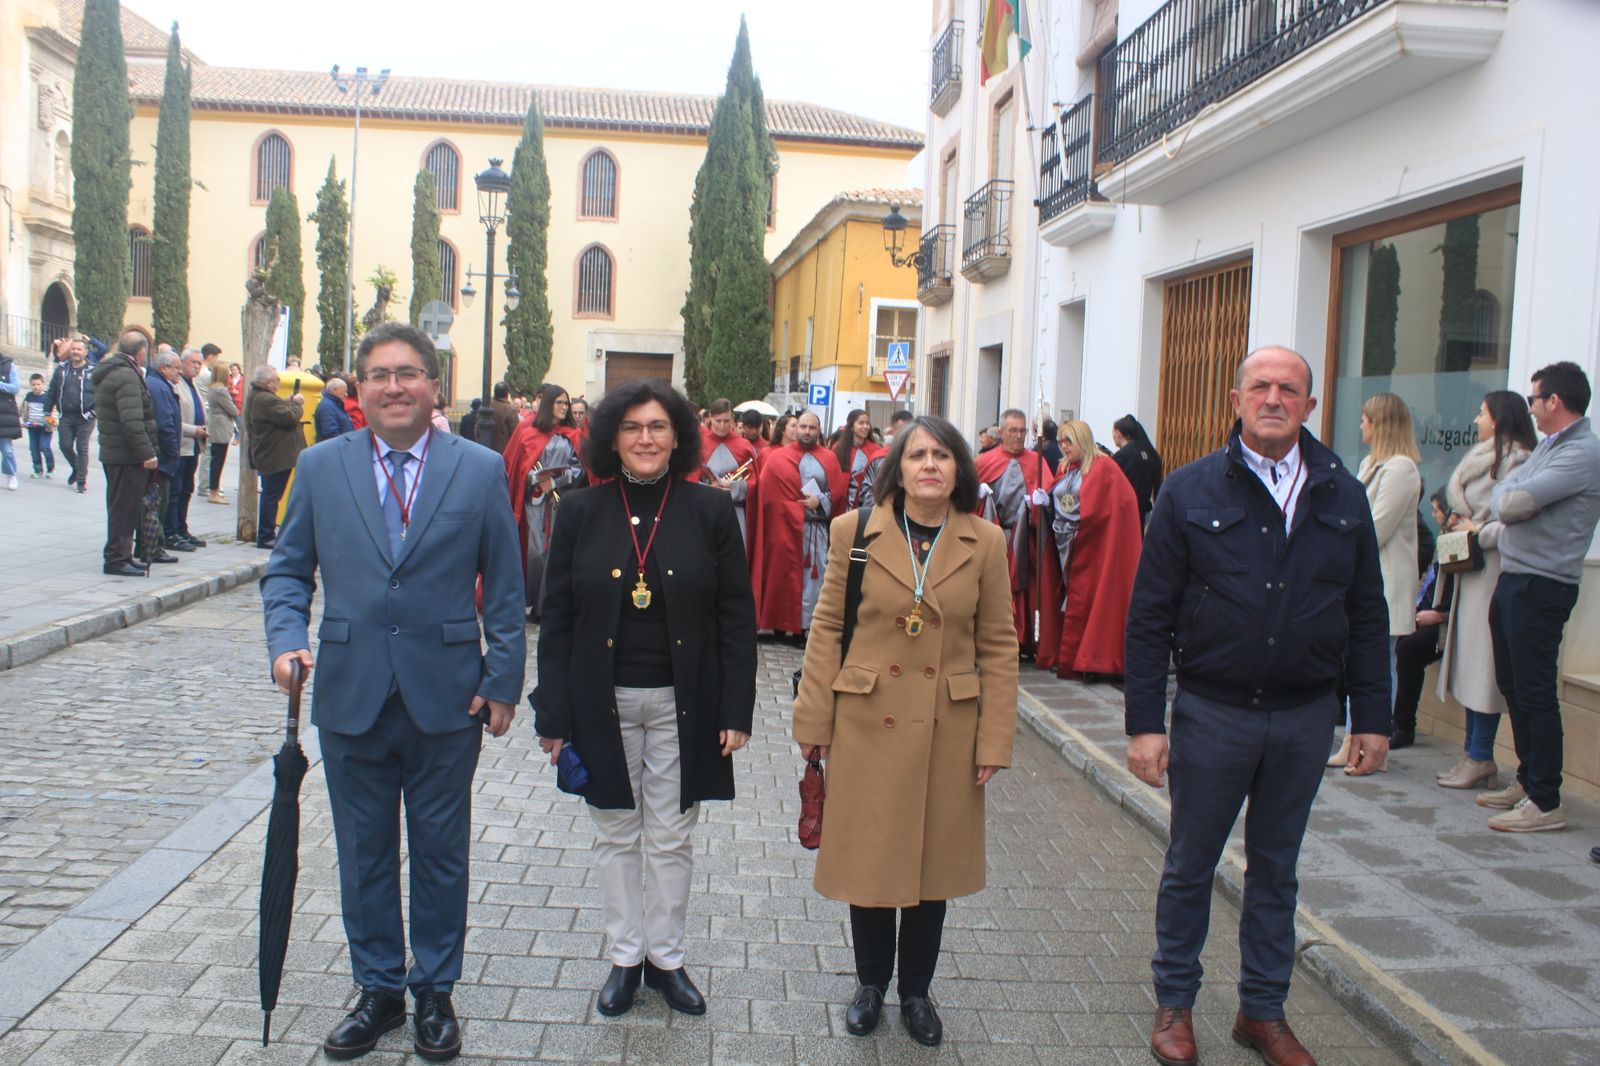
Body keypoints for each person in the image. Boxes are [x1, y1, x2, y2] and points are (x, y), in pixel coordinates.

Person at [262, 321, 526, 1063]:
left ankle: (434, 990)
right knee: (363, 851)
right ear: (361, 388)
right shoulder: (320, 466)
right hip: (352, 695)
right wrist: (285, 640)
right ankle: (378, 988)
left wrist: (503, 678)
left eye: (409, 373)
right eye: (379, 374)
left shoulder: (478, 469)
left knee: (440, 853)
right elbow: (288, 571)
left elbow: (507, 586)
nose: (394, 386)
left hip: (449, 696)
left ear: (434, 386)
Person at [1124, 346, 1390, 1066]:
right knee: (1191, 865)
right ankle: (1175, 1003)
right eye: (1261, 386)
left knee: (1277, 870)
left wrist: (1372, 716)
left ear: (1310, 405)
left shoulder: (1343, 494)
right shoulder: (1189, 489)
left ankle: (1262, 1012)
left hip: (1305, 718)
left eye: (1289, 389)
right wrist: (1145, 724)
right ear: (1237, 399)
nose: (1274, 398)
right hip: (1213, 713)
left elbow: (1367, 612)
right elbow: (1149, 615)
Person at [532, 379, 756, 1019]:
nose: (646, 438)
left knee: (672, 836)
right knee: (614, 832)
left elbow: (736, 617)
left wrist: (735, 710)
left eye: (658, 426)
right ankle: (625, 957)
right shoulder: (580, 511)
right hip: (601, 702)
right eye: (632, 427)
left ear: (678, 435)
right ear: (612, 438)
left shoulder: (711, 510)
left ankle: (667, 959)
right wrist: (552, 714)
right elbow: (557, 620)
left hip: (686, 702)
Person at [792, 414, 1018, 1048]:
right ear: (898, 467)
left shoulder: (985, 541)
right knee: (870, 861)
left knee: (930, 867)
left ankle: (917, 991)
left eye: (942, 456)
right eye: (918, 455)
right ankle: (870, 985)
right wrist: (813, 722)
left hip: (948, 727)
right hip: (867, 721)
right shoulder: (855, 531)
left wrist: (994, 739)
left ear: (959, 469)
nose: (929, 466)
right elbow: (827, 629)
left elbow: (999, 646)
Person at [1480, 361, 1600, 832]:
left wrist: (1511, 502)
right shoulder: (1549, 447)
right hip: (1515, 578)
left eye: (1533, 399)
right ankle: (1528, 780)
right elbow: (1504, 496)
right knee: (1512, 684)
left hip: (1543, 583)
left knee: (1534, 691)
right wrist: (1510, 501)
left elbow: (1513, 501)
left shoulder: (1583, 452)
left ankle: (1545, 799)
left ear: (1555, 400)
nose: (1529, 408)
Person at [1429, 392, 1535, 778]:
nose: (1476, 419)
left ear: (1499, 417)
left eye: (1482, 412)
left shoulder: (1518, 460)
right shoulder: (1486, 455)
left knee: (1483, 667)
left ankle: (1480, 755)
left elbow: (1512, 518)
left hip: (1493, 570)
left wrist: (1476, 528)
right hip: (1470, 569)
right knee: (1470, 664)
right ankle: (1472, 753)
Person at [1329, 393, 1421, 769]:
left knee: (1379, 663)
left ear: (1380, 424)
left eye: (1366, 419)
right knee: (1358, 661)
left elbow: (1374, 527)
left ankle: (1371, 744)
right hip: (1362, 578)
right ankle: (1353, 740)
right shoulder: (1371, 464)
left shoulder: (1401, 469)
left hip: (1387, 581)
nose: (1360, 426)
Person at [1037, 420, 1142, 680]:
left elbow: (1117, 505)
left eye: (1068, 441)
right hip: (1064, 544)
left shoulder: (1104, 466)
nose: (1064, 446)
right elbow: (1060, 502)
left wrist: (1088, 523)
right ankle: (1072, 655)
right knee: (1069, 600)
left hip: (1092, 546)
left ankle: (1089, 658)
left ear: (1082, 439)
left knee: (1091, 601)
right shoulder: (1065, 468)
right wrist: (1042, 504)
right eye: (1061, 441)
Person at [748, 411, 846, 640]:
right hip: (782, 530)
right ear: (795, 429)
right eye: (803, 427)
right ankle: (778, 625)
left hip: (814, 531)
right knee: (780, 577)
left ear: (819, 431)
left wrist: (820, 502)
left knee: (812, 583)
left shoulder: (829, 458)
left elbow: (838, 494)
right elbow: (766, 494)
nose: (807, 432)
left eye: (812, 427)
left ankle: (804, 630)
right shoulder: (777, 457)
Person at [976, 409, 1056, 658]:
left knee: (1024, 590)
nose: (1019, 435)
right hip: (995, 537)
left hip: (1025, 539)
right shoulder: (984, 462)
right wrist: (977, 496)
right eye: (1013, 430)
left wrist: (1043, 504)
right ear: (1001, 432)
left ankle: (1025, 639)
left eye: (1022, 430)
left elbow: (1049, 496)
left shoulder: (1037, 461)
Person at [504, 383, 584, 621]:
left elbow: (580, 468)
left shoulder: (573, 435)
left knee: (556, 553)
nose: (564, 407)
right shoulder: (528, 432)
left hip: (562, 502)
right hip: (535, 503)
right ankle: (531, 600)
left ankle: (546, 606)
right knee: (536, 553)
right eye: (559, 402)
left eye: (566, 403)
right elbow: (516, 466)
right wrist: (535, 478)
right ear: (549, 404)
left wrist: (556, 481)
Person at [93, 329, 161, 576]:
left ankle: (123, 555)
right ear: (141, 351)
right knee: (123, 508)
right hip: (126, 455)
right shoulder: (126, 375)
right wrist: (147, 453)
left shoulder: (116, 371)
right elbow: (131, 421)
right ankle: (116, 559)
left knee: (125, 507)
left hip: (118, 452)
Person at [1394, 490, 1456, 755]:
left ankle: (1403, 726)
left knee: (1409, 650)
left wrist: (1440, 615)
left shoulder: (1457, 542)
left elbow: (1460, 591)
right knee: (1401, 642)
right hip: (1427, 612)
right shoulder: (1444, 538)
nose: (1434, 515)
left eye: (1438, 511)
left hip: (1446, 622)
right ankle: (1396, 721)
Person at [246, 365, 306, 550]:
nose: (278, 384)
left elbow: (278, 411)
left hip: (274, 454)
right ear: (268, 382)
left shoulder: (261, 397)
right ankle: (266, 535)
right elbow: (289, 418)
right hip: (274, 455)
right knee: (271, 496)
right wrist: (296, 404)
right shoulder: (264, 399)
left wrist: (287, 402)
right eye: (276, 381)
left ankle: (267, 533)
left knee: (272, 495)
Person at [697, 399, 759, 543]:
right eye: (718, 421)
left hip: (735, 511)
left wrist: (733, 487)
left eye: (726, 421)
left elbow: (754, 483)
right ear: (710, 418)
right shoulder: (699, 445)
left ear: (733, 419)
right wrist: (709, 489)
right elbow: (690, 480)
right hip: (705, 510)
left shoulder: (744, 447)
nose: (722, 426)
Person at [166, 349, 209, 550]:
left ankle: (182, 529)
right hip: (182, 446)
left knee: (186, 490)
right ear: (182, 363)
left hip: (194, 447)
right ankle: (172, 532)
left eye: (199, 363)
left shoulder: (193, 385)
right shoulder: (176, 385)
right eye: (193, 362)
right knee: (176, 491)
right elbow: (173, 419)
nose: (197, 366)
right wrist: (194, 430)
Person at [146, 351, 184, 559]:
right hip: (162, 456)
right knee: (158, 503)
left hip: (162, 455)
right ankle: (152, 546)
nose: (179, 371)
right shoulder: (159, 387)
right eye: (176, 368)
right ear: (164, 368)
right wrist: (173, 452)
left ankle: (151, 546)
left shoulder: (159, 384)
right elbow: (164, 424)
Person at [45, 335, 95, 493]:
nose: (76, 352)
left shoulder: (93, 370)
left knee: (82, 448)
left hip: (85, 417)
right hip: (66, 415)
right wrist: (47, 411)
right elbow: (52, 390)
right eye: (73, 349)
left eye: (79, 349)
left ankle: (81, 481)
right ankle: (76, 468)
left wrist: (94, 412)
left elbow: (102, 393)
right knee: (64, 446)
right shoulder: (61, 369)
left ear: (85, 352)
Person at [1111, 414, 1164, 529]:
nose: (1113, 436)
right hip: (1145, 511)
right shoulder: (1148, 452)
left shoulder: (1123, 455)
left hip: (1128, 513)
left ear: (1118, 433)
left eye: (1113, 433)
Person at [835, 408, 886, 511]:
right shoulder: (838, 449)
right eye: (861, 423)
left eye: (867, 423)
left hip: (865, 505)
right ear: (852, 426)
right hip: (841, 505)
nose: (865, 426)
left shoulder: (876, 450)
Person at [205, 364, 239, 505]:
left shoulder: (212, 388)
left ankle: (215, 490)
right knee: (218, 461)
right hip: (221, 427)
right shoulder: (220, 390)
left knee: (216, 459)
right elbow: (233, 410)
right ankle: (214, 492)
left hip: (216, 425)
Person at [22, 374, 54, 479]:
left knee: (45, 447)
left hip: (45, 427)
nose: (36, 387)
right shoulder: (29, 396)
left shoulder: (48, 397)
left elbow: (53, 412)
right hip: (32, 427)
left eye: (38, 384)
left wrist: (49, 422)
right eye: (33, 384)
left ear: (43, 384)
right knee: (34, 449)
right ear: (30, 385)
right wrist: (23, 421)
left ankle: (50, 468)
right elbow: (23, 408)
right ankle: (38, 469)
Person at [316, 377, 357, 442]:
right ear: (334, 390)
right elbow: (331, 433)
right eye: (344, 392)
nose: (346, 395)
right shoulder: (327, 407)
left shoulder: (335, 404)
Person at [0, 352, 19, 490]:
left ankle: (10, 474)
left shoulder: (8, 365)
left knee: (7, 450)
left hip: (5, 414)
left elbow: (15, 388)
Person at [490, 382, 518, 453]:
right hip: (503, 452)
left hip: (485, 449)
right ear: (507, 395)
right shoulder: (510, 410)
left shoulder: (485, 407)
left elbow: (477, 430)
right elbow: (515, 434)